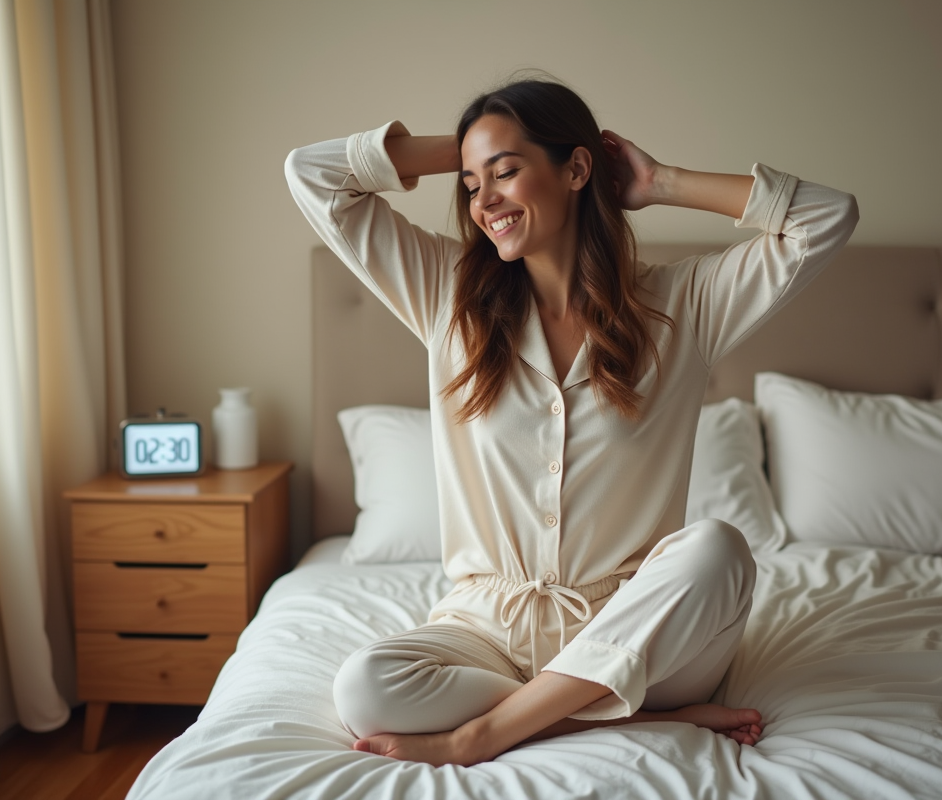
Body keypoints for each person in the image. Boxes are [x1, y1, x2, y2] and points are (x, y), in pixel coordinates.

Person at [285, 78, 858, 767]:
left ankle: (488, 731)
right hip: (487, 632)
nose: (483, 201)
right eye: (471, 185)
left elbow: (828, 217)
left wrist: (660, 181)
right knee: (364, 688)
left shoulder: (684, 305)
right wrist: (472, 149)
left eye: (507, 172)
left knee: (718, 551)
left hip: (640, 632)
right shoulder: (446, 296)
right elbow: (312, 175)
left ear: (578, 168)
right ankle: (642, 720)